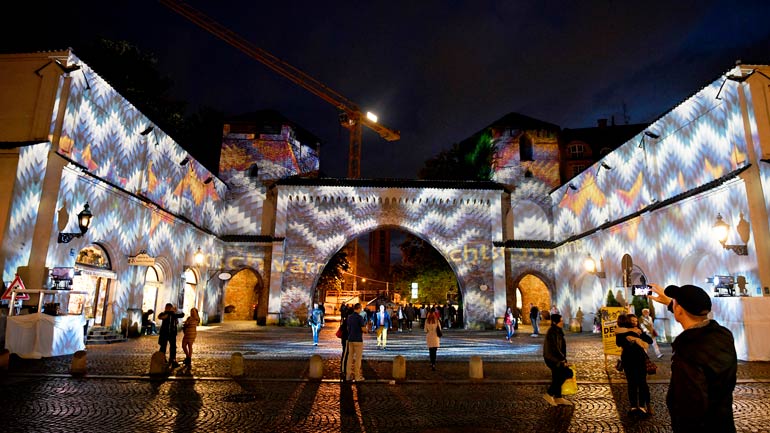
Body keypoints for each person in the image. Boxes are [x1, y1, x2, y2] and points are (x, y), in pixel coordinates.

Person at [649, 283, 737, 433]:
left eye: (675, 302)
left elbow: (690, 404)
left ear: (680, 309)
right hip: (724, 423)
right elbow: (691, 316)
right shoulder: (723, 335)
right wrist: (671, 303)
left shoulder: (688, 349)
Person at [615, 313, 653, 416]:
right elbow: (619, 343)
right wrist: (630, 335)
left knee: (642, 383)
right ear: (628, 321)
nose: (634, 323)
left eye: (636, 321)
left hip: (640, 359)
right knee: (631, 383)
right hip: (628, 360)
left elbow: (650, 340)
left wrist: (638, 338)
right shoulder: (622, 331)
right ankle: (633, 406)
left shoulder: (639, 331)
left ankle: (642, 406)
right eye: (632, 321)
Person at [542, 313, 573, 406]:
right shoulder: (553, 332)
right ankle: (549, 394)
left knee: (557, 376)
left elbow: (560, 348)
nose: (562, 322)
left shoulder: (557, 330)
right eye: (561, 320)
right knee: (567, 373)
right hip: (552, 359)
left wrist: (564, 359)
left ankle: (558, 397)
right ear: (555, 322)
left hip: (556, 358)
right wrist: (563, 361)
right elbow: (555, 348)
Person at [157, 303, 185, 368]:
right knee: (163, 347)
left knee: (173, 347)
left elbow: (182, 315)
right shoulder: (164, 314)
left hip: (172, 333)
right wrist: (167, 313)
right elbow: (160, 317)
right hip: (164, 333)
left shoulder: (174, 314)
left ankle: (172, 360)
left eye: (170, 307)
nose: (168, 309)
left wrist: (176, 311)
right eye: (167, 307)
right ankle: (162, 359)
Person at [345, 303, 367, 382]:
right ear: (359, 308)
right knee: (358, 359)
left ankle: (348, 376)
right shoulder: (359, 318)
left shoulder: (349, 317)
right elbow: (363, 329)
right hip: (358, 340)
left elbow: (348, 328)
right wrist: (366, 330)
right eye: (361, 309)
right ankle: (357, 377)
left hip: (350, 339)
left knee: (349, 358)